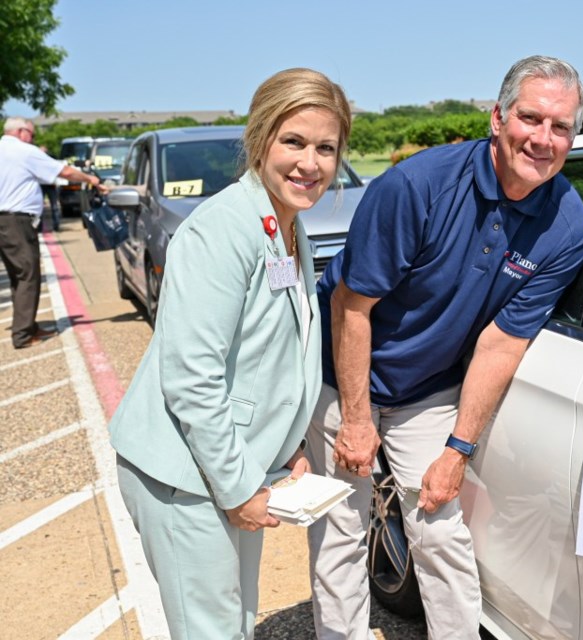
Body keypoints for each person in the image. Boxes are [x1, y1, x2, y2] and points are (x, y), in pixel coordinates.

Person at [305, 55, 583, 640]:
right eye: (530, 118)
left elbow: (500, 344)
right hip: (344, 372)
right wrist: (357, 420)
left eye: (560, 127)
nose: (542, 139)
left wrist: (457, 449)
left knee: (439, 529)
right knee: (341, 530)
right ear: (497, 118)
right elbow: (350, 308)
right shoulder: (415, 186)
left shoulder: (568, 227)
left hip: (427, 386)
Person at [108, 68, 351, 639]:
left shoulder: (288, 227)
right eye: (293, 142)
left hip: (230, 466)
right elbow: (193, 380)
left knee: (235, 622)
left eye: (326, 148)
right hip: (186, 476)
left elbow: (272, 357)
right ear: (260, 139)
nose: (309, 164)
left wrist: (284, 449)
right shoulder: (221, 232)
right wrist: (241, 487)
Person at [0, 117, 102, 348]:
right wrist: (90, 179)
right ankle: (23, 334)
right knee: (28, 274)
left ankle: (28, 325)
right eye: (32, 134)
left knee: (18, 275)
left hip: (5, 221)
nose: (33, 139)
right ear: (21, 132)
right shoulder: (23, 151)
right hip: (17, 221)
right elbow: (64, 171)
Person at [38, 145, 62, 231]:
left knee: (54, 206)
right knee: (39, 208)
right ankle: (39, 226)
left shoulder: (51, 160)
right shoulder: (36, 161)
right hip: (41, 186)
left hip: (51, 185)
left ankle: (56, 225)